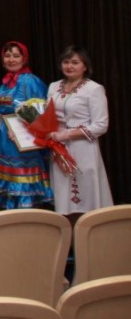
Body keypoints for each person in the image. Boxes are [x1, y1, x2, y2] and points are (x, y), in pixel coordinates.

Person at [46, 46, 113, 221]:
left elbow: (101, 125)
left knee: (86, 193)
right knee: (62, 194)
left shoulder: (94, 89)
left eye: (75, 62)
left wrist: (68, 134)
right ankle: (67, 234)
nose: (69, 66)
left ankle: (89, 232)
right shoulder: (54, 86)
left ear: (85, 66)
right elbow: (46, 115)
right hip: (58, 148)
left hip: (83, 148)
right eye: (66, 62)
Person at [0, 42, 53, 209]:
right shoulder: (5, 82)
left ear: (24, 59)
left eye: (16, 56)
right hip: (2, 137)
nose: (11, 60)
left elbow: (40, 115)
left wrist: (23, 131)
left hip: (22, 140)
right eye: (7, 56)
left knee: (23, 180)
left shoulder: (30, 81)